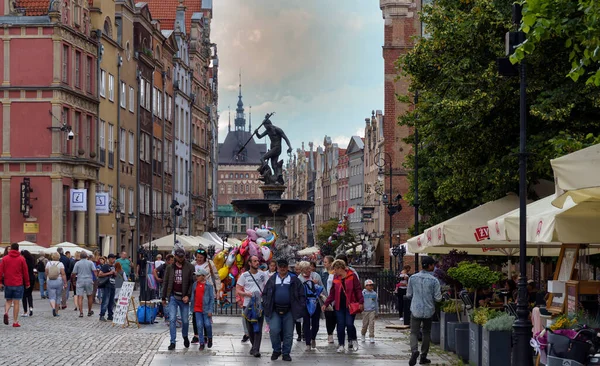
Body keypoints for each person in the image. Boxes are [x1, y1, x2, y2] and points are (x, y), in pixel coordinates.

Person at [262, 258, 305, 362]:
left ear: (287, 267)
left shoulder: (294, 279)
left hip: (289, 310)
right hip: (275, 309)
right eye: (280, 267)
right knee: (274, 330)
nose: (282, 269)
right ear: (277, 268)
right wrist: (266, 304)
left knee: (289, 333)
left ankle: (286, 353)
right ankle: (276, 350)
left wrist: (300, 306)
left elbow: (301, 294)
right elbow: (265, 293)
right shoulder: (272, 279)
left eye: (284, 267)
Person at [406, 256, 443, 366]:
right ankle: (423, 356)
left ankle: (414, 350)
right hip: (428, 310)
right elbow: (438, 298)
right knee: (426, 332)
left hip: (415, 309)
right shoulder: (434, 280)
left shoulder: (413, 278)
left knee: (413, 332)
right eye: (433, 265)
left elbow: (409, 294)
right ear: (431, 266)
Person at [323, 259, 364, 353]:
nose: (334, 272)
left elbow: (358, 289)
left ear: (339, 268)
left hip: (350, 305)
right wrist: (326, 303)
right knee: (340, 325)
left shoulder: (352, 276)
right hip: (339, 305)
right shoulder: (335, 278)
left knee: (349, 324)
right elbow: (332, 293)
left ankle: (353, 339)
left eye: (335, 269)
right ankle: (341, 344)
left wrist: (361, 301)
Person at [162, 248, 195, 351]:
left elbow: (192, 283)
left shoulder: (190, 267)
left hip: (184, 297)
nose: (180, 258)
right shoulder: (170, 268)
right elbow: (166, 282)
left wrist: (188, 296)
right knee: (172, 319)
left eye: (182, 256)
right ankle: (172, 342)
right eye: (178, 256)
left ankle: (185, 336)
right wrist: (163, 297)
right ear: (175, 256)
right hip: (173, 296)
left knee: (185, 321)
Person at [236, 255, 269, 357]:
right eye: (254, 261)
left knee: (258, 327)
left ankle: (256, 349)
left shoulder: (263, 275)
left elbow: (267, 287)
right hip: (248, 305)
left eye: (257, 261)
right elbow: (238, 289)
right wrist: (246, 294)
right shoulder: (244, 276)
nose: (257, 262)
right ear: (249, 263)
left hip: (259, 305)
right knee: (250, 328)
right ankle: (254, 346)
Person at [191, 248, 221, 345]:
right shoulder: (193, 264)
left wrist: (218, 289)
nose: (199, 259)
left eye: (201, 257)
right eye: (198, 257)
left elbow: (216, 276)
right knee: (195, 314)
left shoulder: (210, 264)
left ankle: (206, 335)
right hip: (196, 290)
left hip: (207, 290)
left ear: (204, 257)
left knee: (205, 315)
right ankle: (196, 335)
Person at [0, 243, 30, 327]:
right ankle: (15, 322)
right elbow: (25, 272)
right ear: (18, 249)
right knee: (16, 302)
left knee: (8, 300)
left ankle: (6, 312)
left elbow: (0, 270)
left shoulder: (5, 259)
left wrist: (0, 282)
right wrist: (27, 283)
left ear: (11, 249)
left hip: (8, 283)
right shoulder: (21, 259)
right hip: (18, 283)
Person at [296, 260, 324, 350]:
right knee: (306, 323)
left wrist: (326, 301)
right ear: (302, 270)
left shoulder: (316, 276)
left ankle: (313, 337)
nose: (309, 270)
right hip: (305, 303)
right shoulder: (299, 279)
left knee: (316, 323)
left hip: (316, 302)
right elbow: (297, 292)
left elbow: (322, 288)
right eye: (306, 269)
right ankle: (308, 343)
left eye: (309, 268)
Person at [190, 268, 215, 351]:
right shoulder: (195, 284)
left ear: (203, 276)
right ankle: (201, 343)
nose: (196, 277)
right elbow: (193, 295)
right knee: (199, 325)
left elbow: (212, 299)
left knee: (207, 324)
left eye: (198, 275)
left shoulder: (209, 286)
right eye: (196, 275)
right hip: (197, 308)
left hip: (206, 309)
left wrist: (210, 310)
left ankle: (210, 338)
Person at [71, 251, 97, 318]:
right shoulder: (90, 262)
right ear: (87, 256)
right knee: (89, 296)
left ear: (80, 256)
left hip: (80, 280)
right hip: (88, 280)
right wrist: (96, 278)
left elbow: (74, 273)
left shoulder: (77, 263)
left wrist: (73, 280)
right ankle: (89, 311)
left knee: (80, 296)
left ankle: (81, 312)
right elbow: (94, 271)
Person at [321, 255, 336, 344]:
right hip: (326, 298)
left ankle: (332, 331)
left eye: (326, 262)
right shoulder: (323, 273)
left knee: (335, 317)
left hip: (335, 298)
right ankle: (330, 334)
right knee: (328, 316)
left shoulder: (335, 273)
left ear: (331, 263)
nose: (324, 264)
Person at [45, 252, 67, 317]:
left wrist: (47, 278)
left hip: (50, 280)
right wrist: (65, 282)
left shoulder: (48, 263)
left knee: (52, 297)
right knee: (58, 296)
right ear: (59, 257)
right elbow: (63, 274)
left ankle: (53, 308)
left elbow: (46, 272)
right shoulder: (60, 264)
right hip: (59, 281)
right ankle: (56, 312)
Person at [98, 253, 117, 321]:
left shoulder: (113, 266)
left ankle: (110, 315)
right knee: (105, 300)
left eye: (114, 258)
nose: (113, 259)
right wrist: (109, 273)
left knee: (111, 301)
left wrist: (115, 274)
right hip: (106, 285)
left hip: (112, 284)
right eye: (112, 258)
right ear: (109, 259)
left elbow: (114, 275)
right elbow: (100, 274)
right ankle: (102, 315)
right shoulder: (105, 266)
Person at [361, 279, 379, 343]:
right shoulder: (363, 293)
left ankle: (371, 336)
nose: (371, 287)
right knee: (365, 324)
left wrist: (376, 312)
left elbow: (376, 303)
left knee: (371, 324)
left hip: (372, 311)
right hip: (365, 311)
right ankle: (363, 334)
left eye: (372, 285)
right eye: (369, 285)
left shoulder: (374, 294)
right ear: (366, 286)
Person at [20, 250, 35, 317]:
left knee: (24, 295)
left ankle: (25, 311)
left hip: (25, 279)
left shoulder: (23, 261)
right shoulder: (32, 260)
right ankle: (31, 308)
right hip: (32, 278)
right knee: (29, 294)